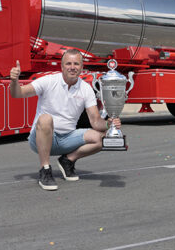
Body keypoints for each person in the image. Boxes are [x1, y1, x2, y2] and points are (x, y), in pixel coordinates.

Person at [9, 49, 121, 191]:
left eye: (76, 64)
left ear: (81, 67)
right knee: (45, 119)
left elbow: (95, 121)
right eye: (68, 63)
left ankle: (67, 160)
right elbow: (17, 93)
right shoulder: (48, 81)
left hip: (67, 139)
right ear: (61, 67)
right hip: (40, 139)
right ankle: (45, 169)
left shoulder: (86, 89)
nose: (72, 67)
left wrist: (108, 123)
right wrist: (14, 81)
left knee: (103, 138)